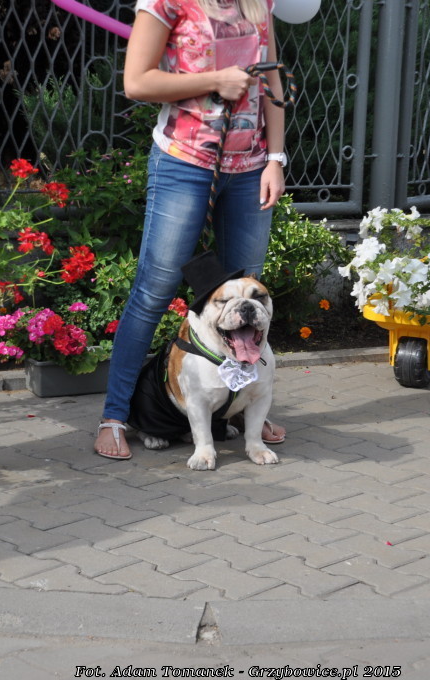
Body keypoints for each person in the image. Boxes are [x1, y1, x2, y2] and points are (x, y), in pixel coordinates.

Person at [93, 0, 288, 460]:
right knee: (154, 292)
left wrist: (276, 158)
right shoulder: (166, 2)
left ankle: (238, 405)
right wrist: (214, 80)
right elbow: (137, 82)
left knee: (246, 300)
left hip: (251, 167)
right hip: (183, 164)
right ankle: (115, 416)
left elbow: (271, 79)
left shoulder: (258, 2)